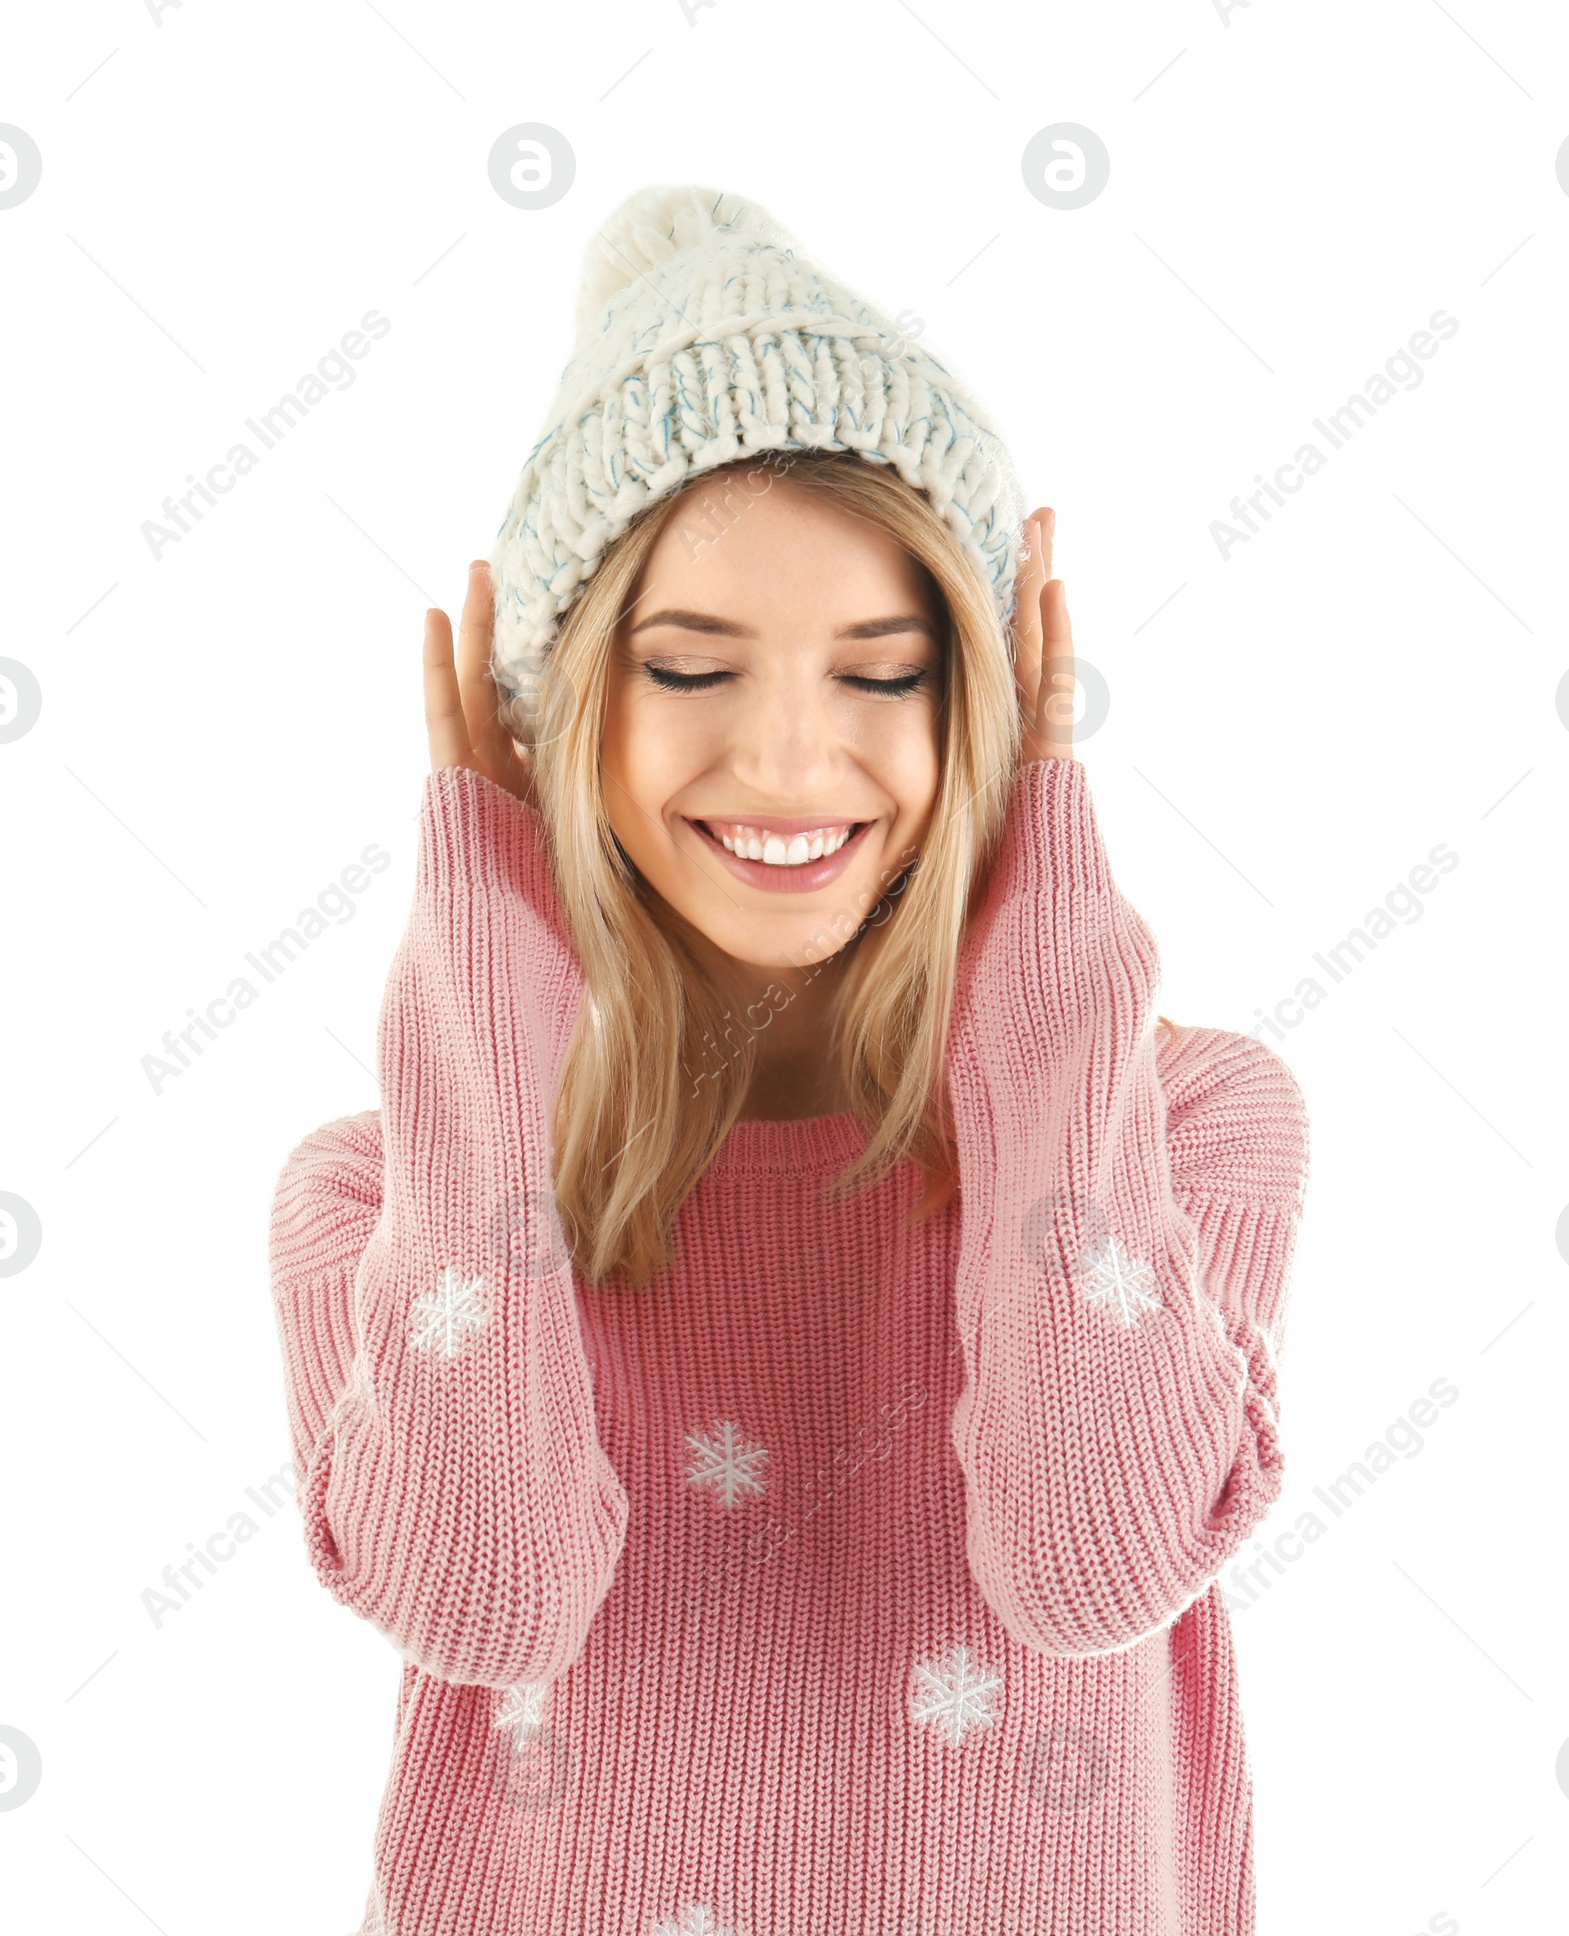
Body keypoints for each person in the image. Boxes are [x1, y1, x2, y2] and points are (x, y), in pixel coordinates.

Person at [268, 184, 1311, 1936]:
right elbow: (489, 1596)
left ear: (982, 705)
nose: (784, 755)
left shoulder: (1190, 1129)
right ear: (556, 711)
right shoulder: (389, 1197)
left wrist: (1040, 894)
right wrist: (481, 952)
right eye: (688, 666)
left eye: (883, 672)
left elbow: (1092, 1561)